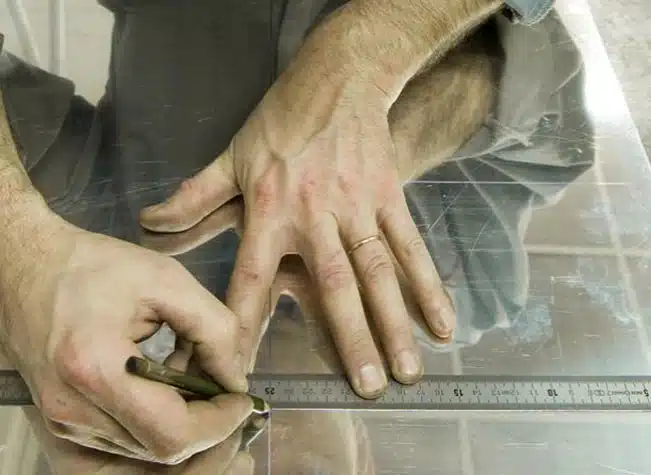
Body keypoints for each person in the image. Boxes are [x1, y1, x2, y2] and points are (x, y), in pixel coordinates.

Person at [0, 0, 581, 468]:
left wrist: (18, 259)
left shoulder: (112, 271)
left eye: (238, 449)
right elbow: (553, 94)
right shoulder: (458, 294)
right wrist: (380, 123)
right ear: (364, 462)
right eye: (309, 474)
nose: (267, 434)